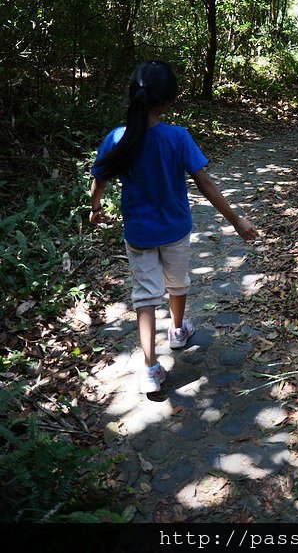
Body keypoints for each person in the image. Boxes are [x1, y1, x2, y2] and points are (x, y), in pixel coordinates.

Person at [89, 60, 259, 394]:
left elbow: (100, 178)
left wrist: (95, 209)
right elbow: (206, 184)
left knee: (145, 298)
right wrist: (236, 220)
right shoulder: (177, 137)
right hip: (175, 231)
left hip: (138, 233)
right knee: (177, 283)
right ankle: (178, 331)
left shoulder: (117, 137)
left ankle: (151, 368)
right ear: (168, 101)